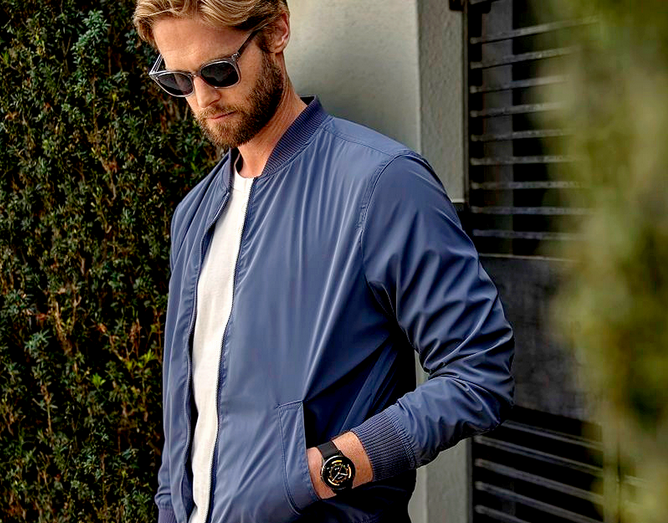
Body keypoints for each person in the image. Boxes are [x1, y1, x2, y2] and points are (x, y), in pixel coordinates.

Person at [133, 1, 515, 522]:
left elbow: (478, 372)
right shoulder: (193, 215)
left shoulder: (383, 184)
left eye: (219, 71)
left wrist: (318, 474)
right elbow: (187, 416)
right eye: (178, 80)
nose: (202, 98)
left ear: (276, 31)